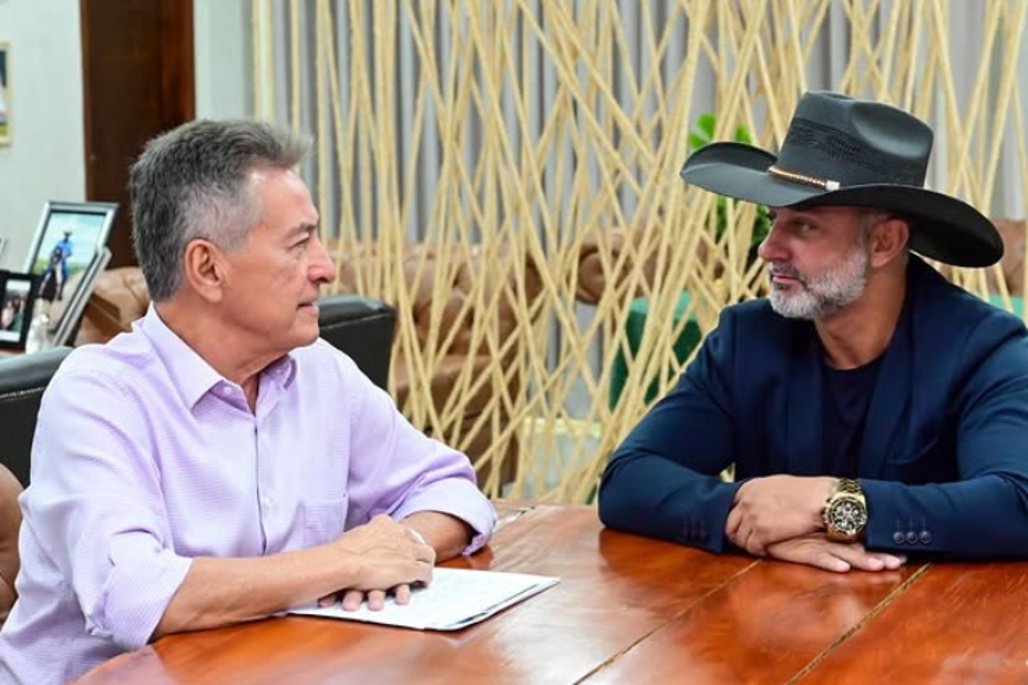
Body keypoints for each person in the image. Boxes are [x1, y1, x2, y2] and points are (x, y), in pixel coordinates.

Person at [0, 120, 496, 684]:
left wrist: (402, 548)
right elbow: (135, 595)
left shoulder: (319, 371)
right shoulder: (98, 396)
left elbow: (450, 488)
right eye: (299, 244)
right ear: (208, 268)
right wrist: (344, 562)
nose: (326, 267)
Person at [599, 91, 1028, 572]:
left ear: (884, 241)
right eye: (773, 221)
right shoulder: (747, 339)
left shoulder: (984, 350)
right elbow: (627, 480)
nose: (768, 249)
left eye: (803, 226)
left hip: (937, 615)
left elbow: (1017, 504)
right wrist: (749, 519)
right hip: (772, 613)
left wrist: (835, 503)